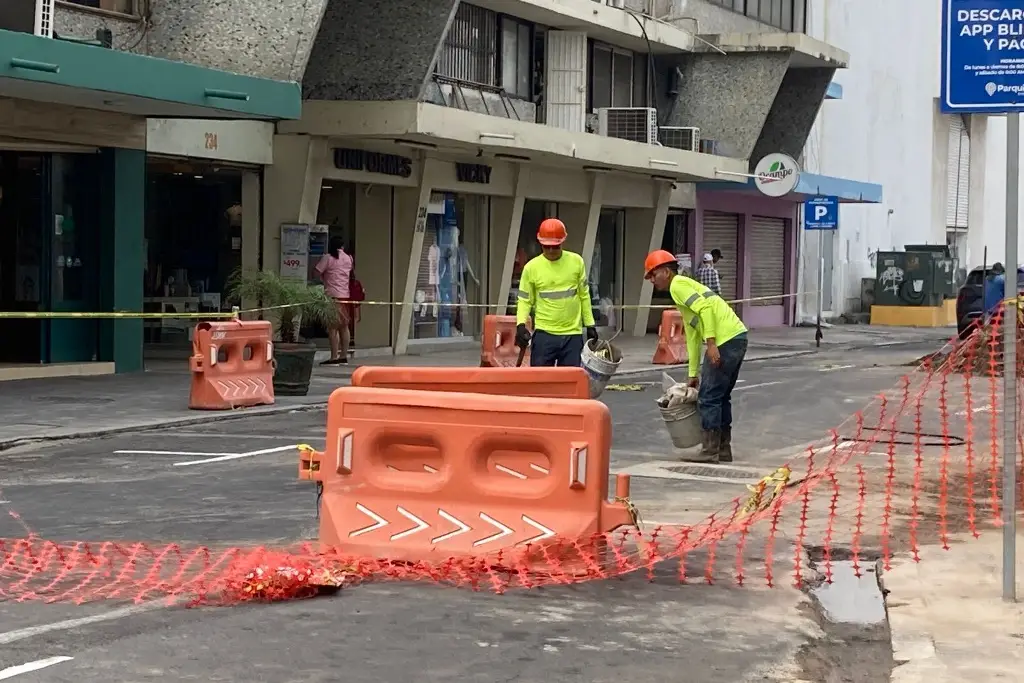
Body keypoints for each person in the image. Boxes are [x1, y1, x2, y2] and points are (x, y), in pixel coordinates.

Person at [644, 249, 748, 463]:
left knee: (709, 398)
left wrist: (711, 343)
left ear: (665, 271)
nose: (651, 280)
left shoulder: (678, 285)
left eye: (653, 275)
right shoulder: (683, 287)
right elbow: (692, 334)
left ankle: (711, 451)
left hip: (724, 340)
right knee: (721, 397)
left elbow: (706, 309)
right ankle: (722, 449)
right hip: (737, 337)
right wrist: (693, 373)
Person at [515, 218, 598, 367]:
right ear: (540, 244)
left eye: (555, 246)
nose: (551, 251)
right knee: (542, 383)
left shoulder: (576, 262)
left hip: (572, 335)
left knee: (569, 384)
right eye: (547, 247)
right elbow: (524, 300)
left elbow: (584, 295)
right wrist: (520, 325)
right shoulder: (531, 268)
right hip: (544, 334)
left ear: (562, 242)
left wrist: (590, 324)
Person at [315, 236, 354, 365]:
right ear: (342, 246)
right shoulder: (349, 258)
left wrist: (323, 279)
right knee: (344, 326)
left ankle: (334, 357)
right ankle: (343, 356)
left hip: (332, 295)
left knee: (332, 328)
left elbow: (316, 272)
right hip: (345, 296)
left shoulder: (328, 258)